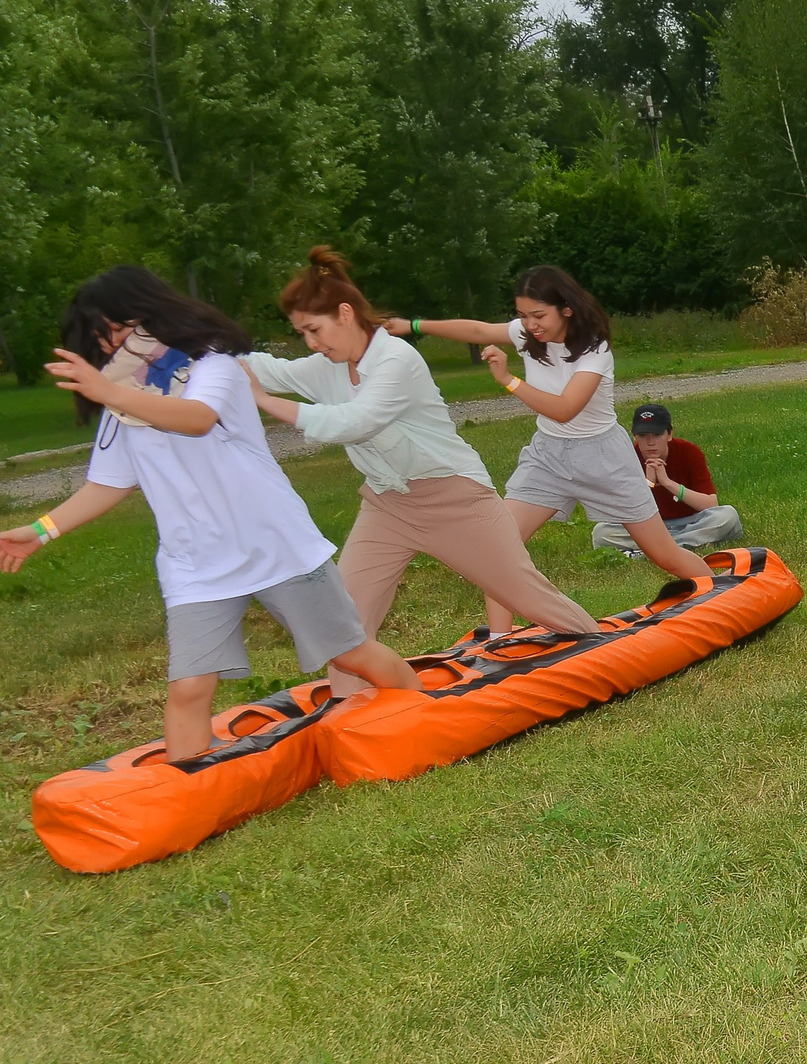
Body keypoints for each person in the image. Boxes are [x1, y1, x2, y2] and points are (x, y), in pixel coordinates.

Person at [0, 267, 421, 759]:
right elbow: (106, 483)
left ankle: (423, 714)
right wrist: (39, 530)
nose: (110, 347)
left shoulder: (213, 364)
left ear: (145, 317)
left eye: (113, 330)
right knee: (188, 689)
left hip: (275, 545)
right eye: (99, 339)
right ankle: (187, 793)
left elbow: (197, 419)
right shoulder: (126, 403)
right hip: (194, 565)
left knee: (352, 652)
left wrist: (109, 391)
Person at [244, 248, 600, 648]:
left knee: (528, 595)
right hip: (387, 503)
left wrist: (267, 402)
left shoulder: (397, 360)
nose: (310, 343)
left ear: (345, 314)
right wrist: (190, 352)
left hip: (453, 497)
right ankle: (351, 701)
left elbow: (357, 421)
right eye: (302, 333)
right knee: (345, 619)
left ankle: (602, 648)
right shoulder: (324, 367)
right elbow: (260, 368)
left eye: (315, 330)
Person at [390, 266, 712, 629]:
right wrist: (412, 326)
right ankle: (499, 641)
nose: (530, 324)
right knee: (497, 546)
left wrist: (508, 380)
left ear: (567, 309)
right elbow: (478, 330)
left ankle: (718, 596)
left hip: (603, 458)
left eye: (538, 315)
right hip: (548, 456)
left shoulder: (595, 350)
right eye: (524, 315)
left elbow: (564, 409)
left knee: (664, 554)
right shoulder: (528, 335)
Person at [592, 402, 743, 556]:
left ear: (669, 434)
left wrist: (668, 483)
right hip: (646, 526)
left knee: (727, 516)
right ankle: (679, 547)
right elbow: (620, 510)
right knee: (601, 532)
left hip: (689, 522)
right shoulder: (627, 457)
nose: (650, 442)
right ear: (634, 436)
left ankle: (657, 550)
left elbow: (711, 504)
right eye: (643, 436)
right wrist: (648, 483)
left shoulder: (689, 451)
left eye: (657, 435)